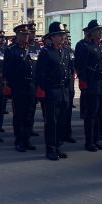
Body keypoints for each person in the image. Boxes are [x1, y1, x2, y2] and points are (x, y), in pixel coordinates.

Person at [35, 22, 71, 161]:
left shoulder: (65, 51)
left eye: (63, 35)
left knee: (62, 121)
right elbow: (40, 74)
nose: (63, 37)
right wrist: (44, 91)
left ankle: (58, 147)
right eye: (60, 35)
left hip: (63, 91)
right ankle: (50, 149)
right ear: (52, 37)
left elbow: (68, 71)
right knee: (51, 122)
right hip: (51, 91)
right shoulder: (46, 52)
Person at [75, 19, 102, 152]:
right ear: (91, 32)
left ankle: (96, 139)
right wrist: (83, 82)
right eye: (97, 30)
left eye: (101, 30)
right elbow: (80, 66)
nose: (100, 32)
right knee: (91, 115)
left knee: (99, 113)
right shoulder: (85, 46)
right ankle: (89, 142)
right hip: (91, 84)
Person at [3, 24, 37, 152]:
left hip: (31, 86)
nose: (26, 36)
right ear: (17, 35)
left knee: (29, 115)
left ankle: (27, 139)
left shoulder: (34, 49)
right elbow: (7, 70)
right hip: (19, 87)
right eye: (23, 34)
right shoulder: (11, 50)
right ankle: (19, 141)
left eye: (27, 34)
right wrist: (10, 87)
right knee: (19, 116)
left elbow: (37, 68)